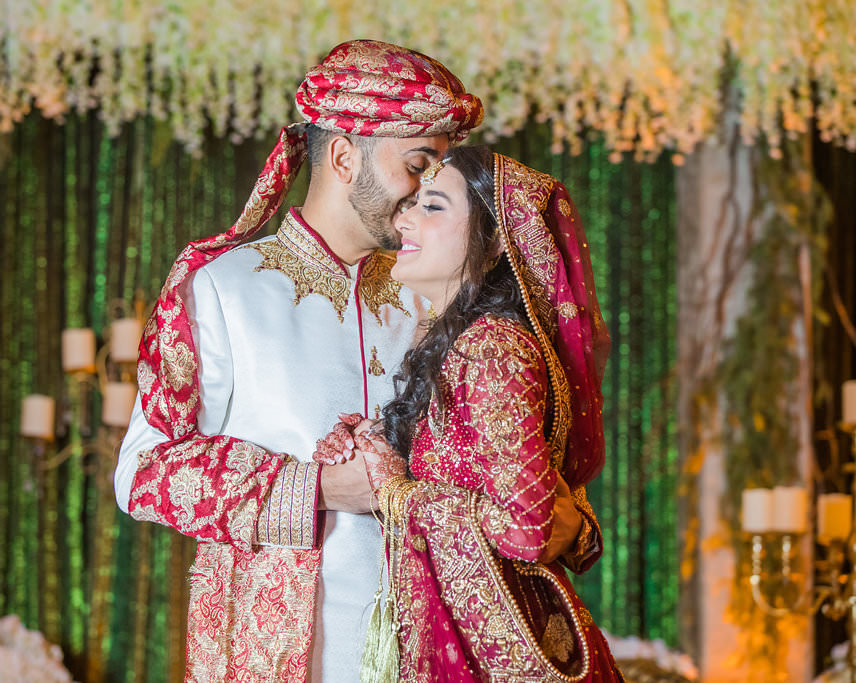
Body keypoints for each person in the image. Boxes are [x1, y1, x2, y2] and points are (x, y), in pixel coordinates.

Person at [114, 40, 593, 682]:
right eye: (419, 164)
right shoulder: (225, 286)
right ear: (344, 156)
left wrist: (570, 523)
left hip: (447, 651)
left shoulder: (441, 288)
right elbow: (143, 473)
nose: (432, 190)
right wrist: (313, 489)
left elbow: (522, 466)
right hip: (284, 655)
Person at [319, 146, 621, 681]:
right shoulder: (460, 343)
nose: (403, 217)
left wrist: (396, 491)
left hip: (506, 646)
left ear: (497, 238)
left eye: (431, 207)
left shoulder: (492, 349)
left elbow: (527, 529)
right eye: (411, 202)